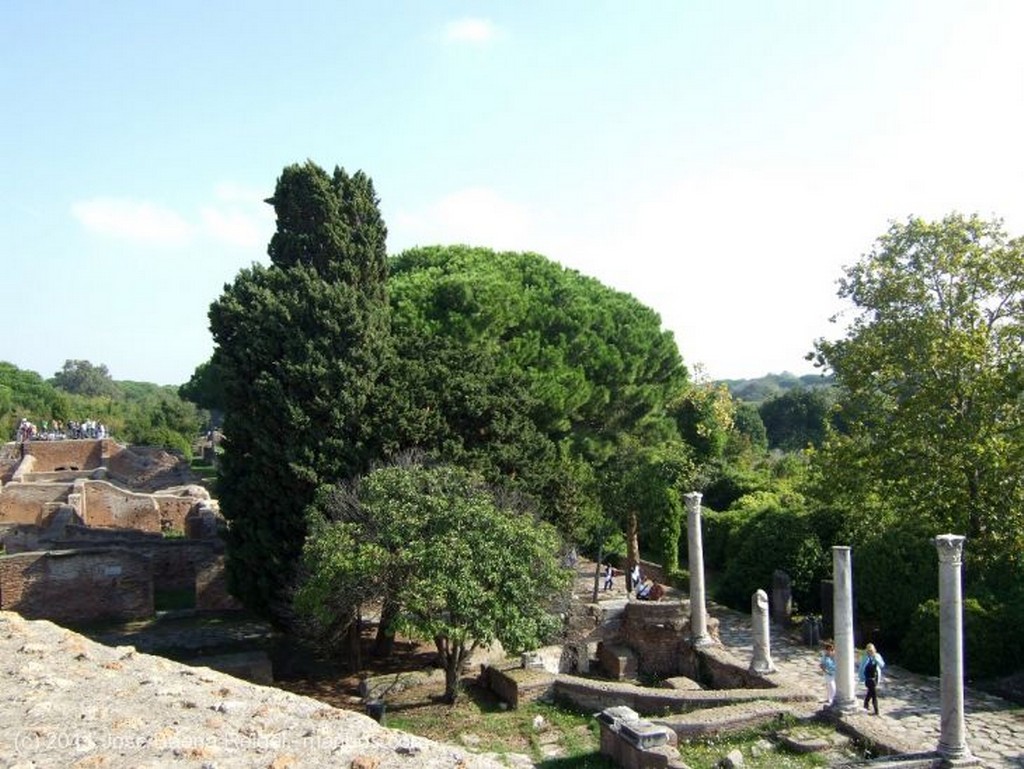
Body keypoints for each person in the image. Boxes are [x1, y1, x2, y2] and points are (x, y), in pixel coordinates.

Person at [859, 642, 885, 715]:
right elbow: (861, 668)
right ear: (866, 651)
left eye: (871, 650)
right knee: (874, 694)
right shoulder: (865, 657)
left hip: (875, 677)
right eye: (869, 651)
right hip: (868, 678)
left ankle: (865, 704)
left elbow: (882, 665)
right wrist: (861, 678)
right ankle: (876, 710)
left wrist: (876, 659)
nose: (870, 652)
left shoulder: (877, 656)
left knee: (870, 692)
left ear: (874, 650)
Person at [819, 640, 837, 706]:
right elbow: (821, 665)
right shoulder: (824, 657)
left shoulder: (833, 656)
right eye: (828, 650)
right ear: (826, 650)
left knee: (829, 687)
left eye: (831, 650)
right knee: (832, 686)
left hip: (834, 673)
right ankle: (833, 699)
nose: (830, 651)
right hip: (828, 674)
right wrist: (826, 671)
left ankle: (830, 698)